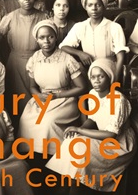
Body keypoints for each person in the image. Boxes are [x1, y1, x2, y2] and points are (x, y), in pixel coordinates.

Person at [46, 59, 137, 194]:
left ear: (110, 77)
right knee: (72, 141)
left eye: (101, 76)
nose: (97, 81)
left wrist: (79, 129)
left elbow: (111, 134)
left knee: (80, 148)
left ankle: (75, 188)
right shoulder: (93, 94)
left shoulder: (118, 100)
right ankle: (70, 183)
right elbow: (93, 118)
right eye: (93, 77)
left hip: (119, 144)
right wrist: (79, 130)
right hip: (102, 135)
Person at [17, 20, 87, 194]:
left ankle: (53, 169)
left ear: (56, 38)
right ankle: (35, 167)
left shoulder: (67, 58)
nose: (46, 41)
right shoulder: (35, 58)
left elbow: (82, 87)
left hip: (64, 99)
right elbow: (32, 86)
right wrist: (37, 95)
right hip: (42, 98)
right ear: (37, 40)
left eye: (50, 37)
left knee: (47, 123)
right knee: (26, 121)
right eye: (42, 38)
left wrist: (58, 95)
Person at [0, 0, 47, 127]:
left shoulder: (44, 17)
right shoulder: (9, 17)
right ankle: (18, 134)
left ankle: (35, 134)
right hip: (15, 64)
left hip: (38, 62)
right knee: (16, 100)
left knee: (37, 99)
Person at [59, 0, 129, 82]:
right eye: (90, 5)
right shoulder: (80, 26)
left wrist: (115, 80)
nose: (94, 8)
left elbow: (120, 57)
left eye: (98, 5)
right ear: (86, 8)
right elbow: (63, 46)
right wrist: (80, 53)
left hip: (109, 69)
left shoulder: (114, 27)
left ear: (104, 7)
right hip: (89, 69)